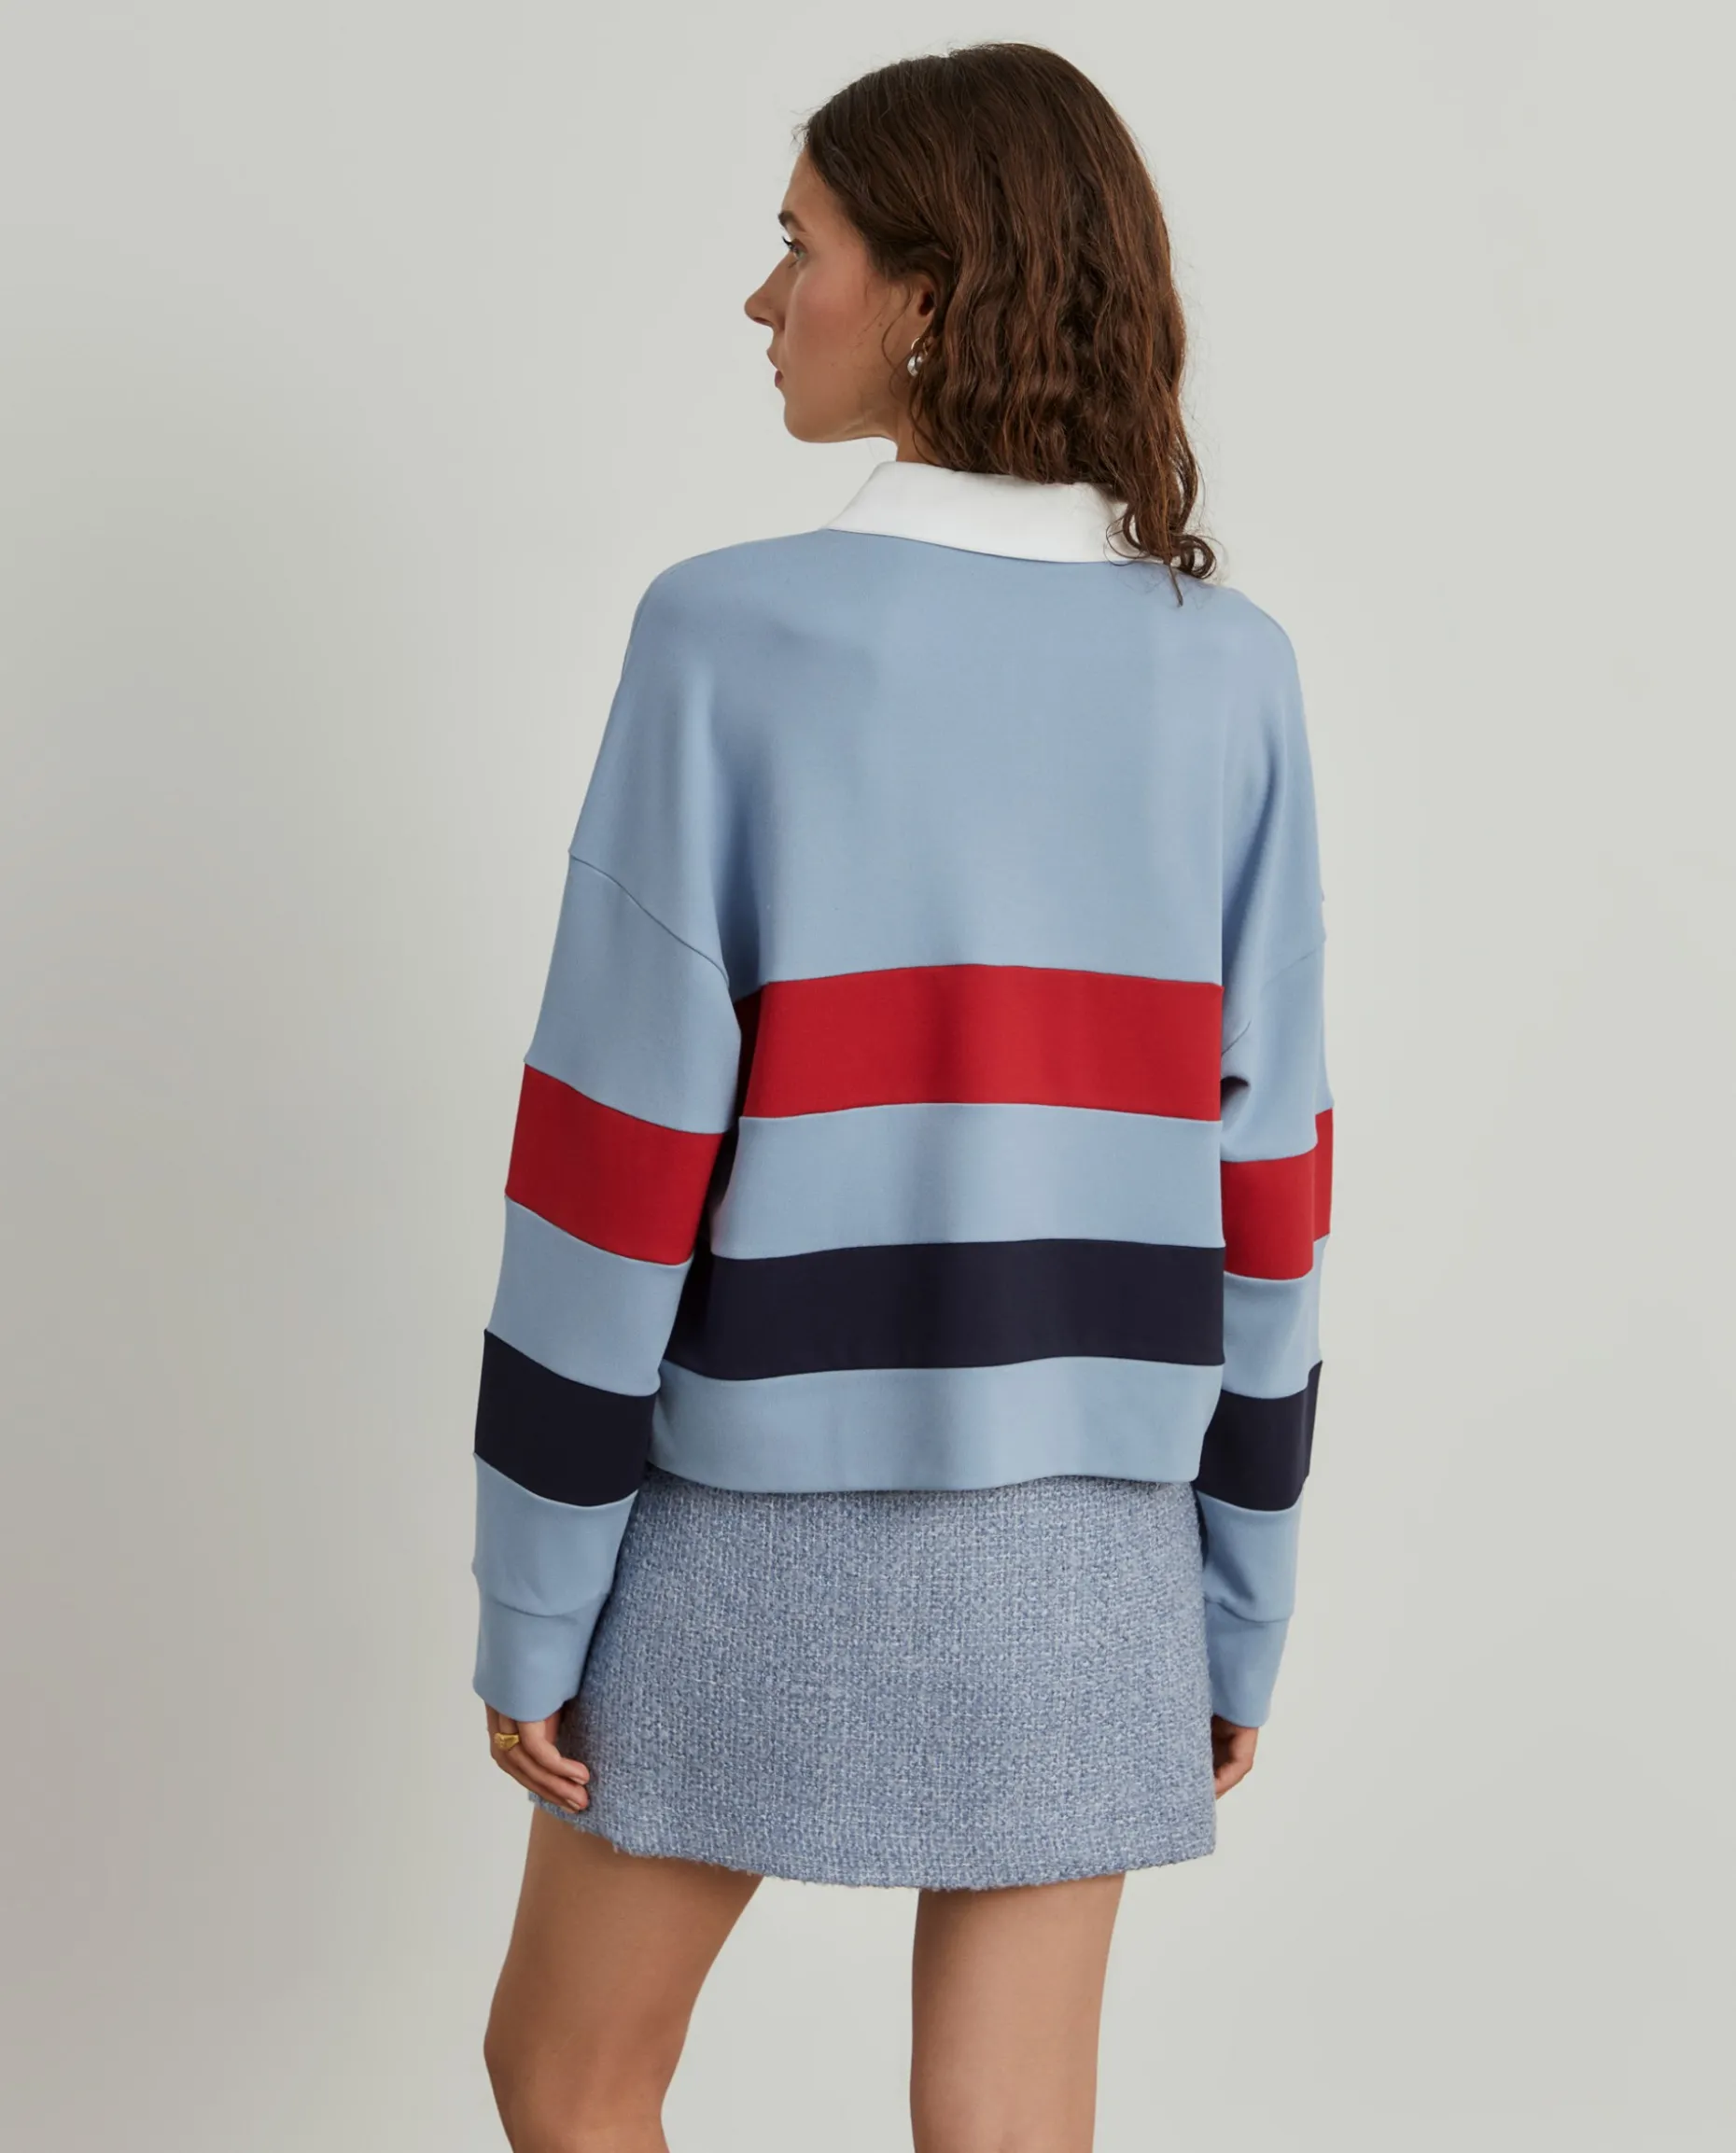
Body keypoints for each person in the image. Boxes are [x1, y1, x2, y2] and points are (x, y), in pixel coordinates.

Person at [473, 40, 1333, 2153]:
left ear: (931, 294)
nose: (765, 297)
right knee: (1010, 2126)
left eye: (803, 246)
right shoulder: (1229, 669)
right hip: (1097, 1541)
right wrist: (1237, 1606)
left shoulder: (729, 637)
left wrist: (535, 1588)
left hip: (748, 1512)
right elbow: (1273, 1180)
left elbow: (610, 1163)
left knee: (569, 2074)